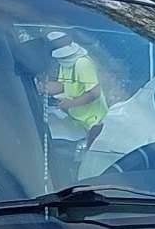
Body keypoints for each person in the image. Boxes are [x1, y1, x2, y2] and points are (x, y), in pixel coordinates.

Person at [38, 32, 107, 182]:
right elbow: (63, 85)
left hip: (92, 123)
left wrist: (71, 104)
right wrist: (43, 87)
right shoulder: (65, 63)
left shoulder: (82, 63)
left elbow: (94, 92)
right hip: (74, 120)